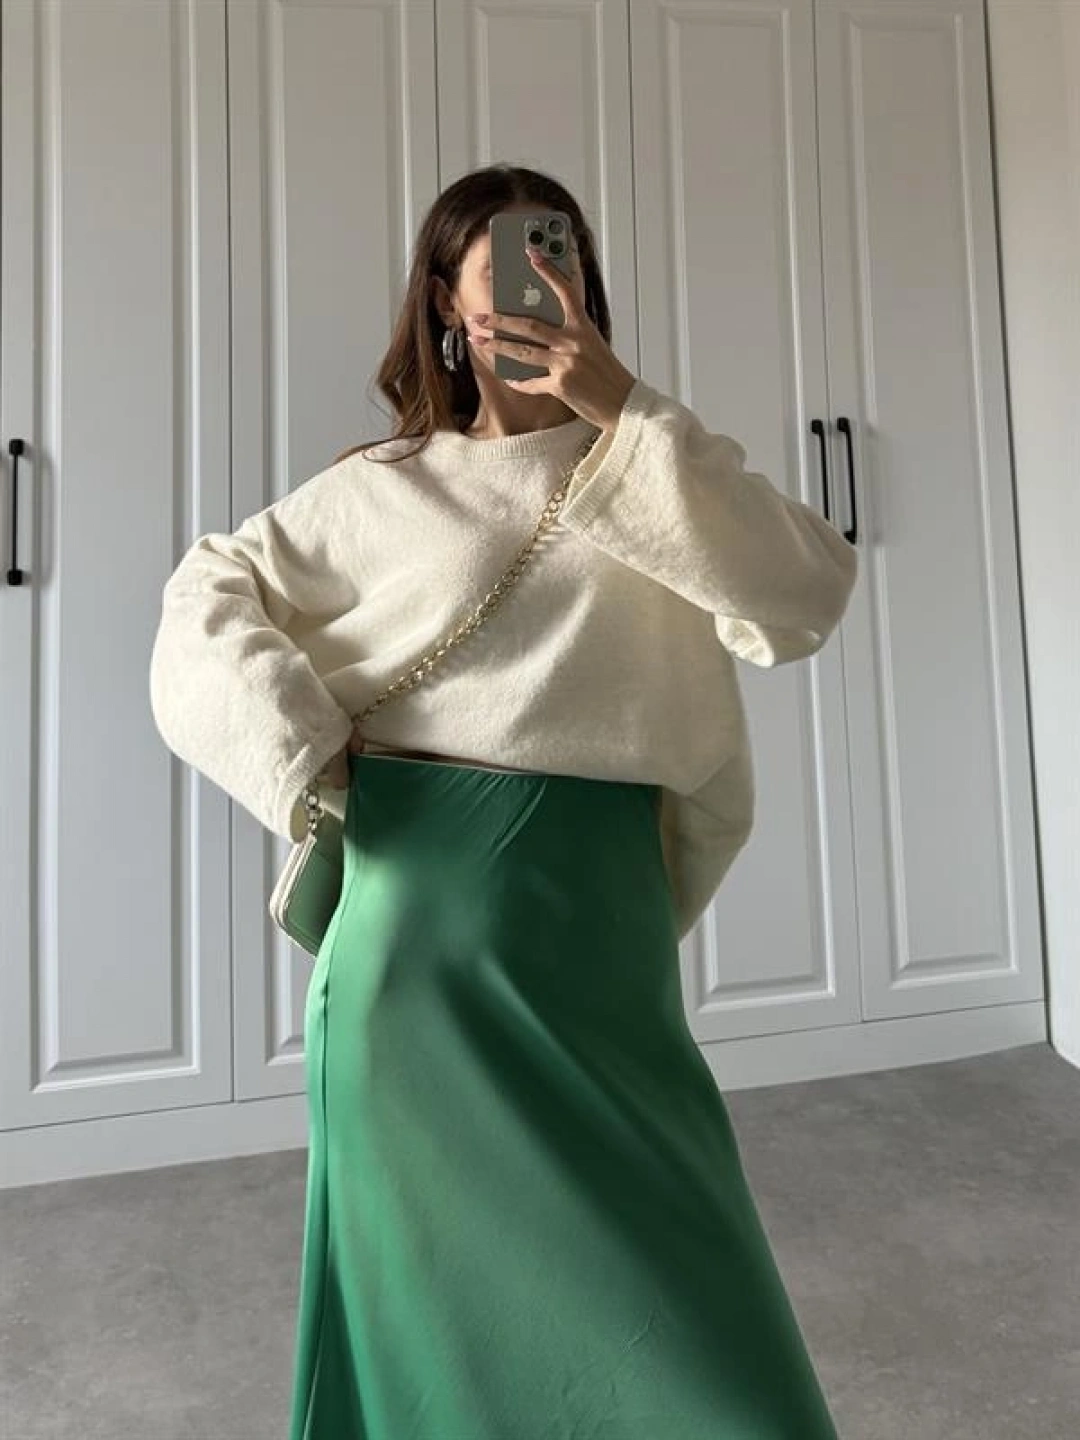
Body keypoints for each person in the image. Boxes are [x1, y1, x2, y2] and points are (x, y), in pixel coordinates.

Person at [149, 163, 858, 1439]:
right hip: (414, 935)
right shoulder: (384, 487)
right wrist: (298, 738)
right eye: (511, 259)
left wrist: (623, 407)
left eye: (562, 252)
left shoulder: (655, 464)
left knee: (693, 1316)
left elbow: (806, 592)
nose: (544, 278)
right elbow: (207, 590)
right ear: (445, 300)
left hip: (595, 925)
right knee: (428, 1317)